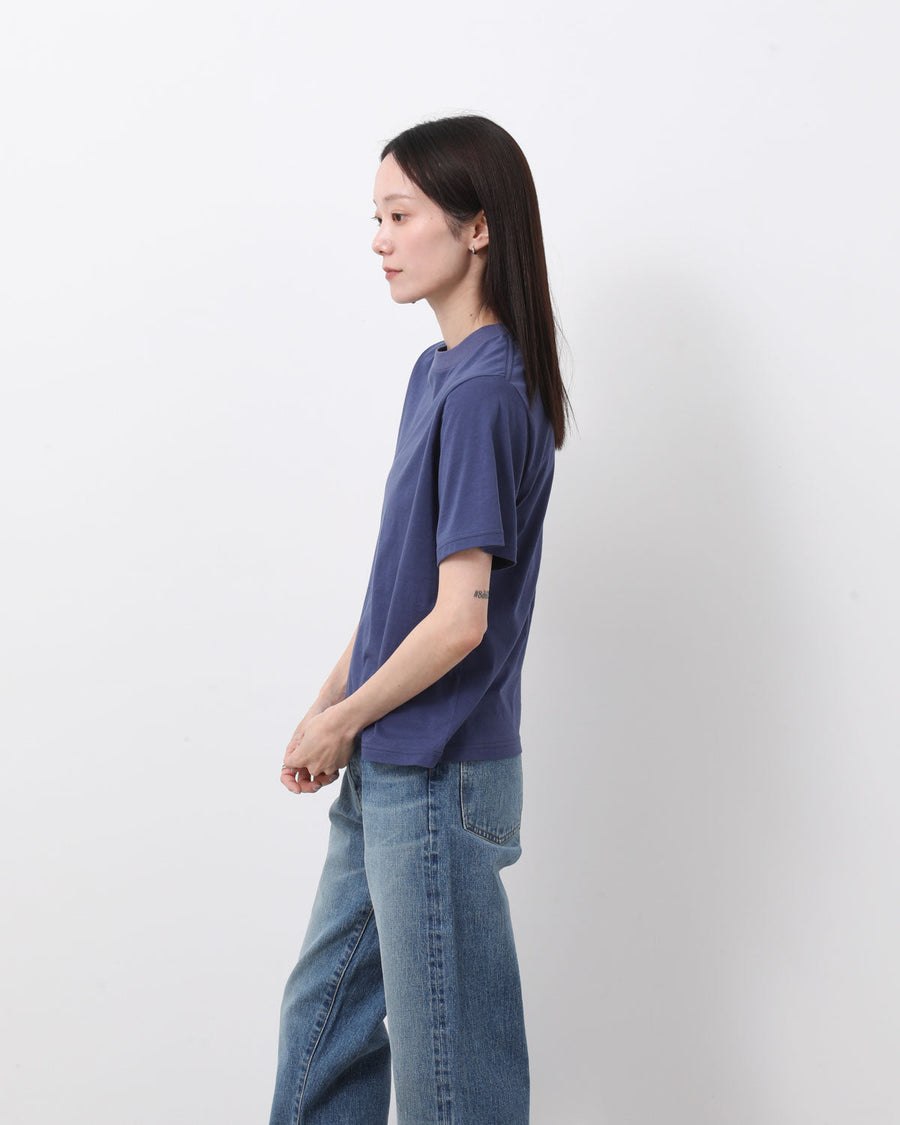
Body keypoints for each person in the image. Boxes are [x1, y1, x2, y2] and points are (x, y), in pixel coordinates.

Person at [269, 114, 572, 1125]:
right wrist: (330, 708)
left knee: (453, 1085)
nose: (380, 240)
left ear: (477, 228)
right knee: (322, 1029)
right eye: (376, 217)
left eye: (400, 216)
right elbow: (397, 590)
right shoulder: (435, 374)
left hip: (439, 772)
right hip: (389, 759)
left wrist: (345, 720)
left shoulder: (486, 389)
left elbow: (456, 624)